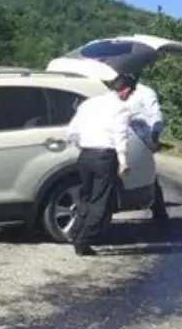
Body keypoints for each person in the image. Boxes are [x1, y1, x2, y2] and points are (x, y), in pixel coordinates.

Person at [65, 73, 136, 256]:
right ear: (126, 90)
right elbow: (120, 136)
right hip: (105, 156)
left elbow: (72, 131)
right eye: (131, 92)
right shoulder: (121, 108)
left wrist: (81, 145)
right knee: (100, 201)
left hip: (85, 154)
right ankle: (84, 240)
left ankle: (75, 231)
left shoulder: (89, 103)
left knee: (86, 197)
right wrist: (123, 162)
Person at [127, 78, 168, 220]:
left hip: (140, 135)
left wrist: (154, 138)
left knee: (145, 171)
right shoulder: (114, 92)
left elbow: (155, 115)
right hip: (123, 133)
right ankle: (158, 208)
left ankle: (158, 208)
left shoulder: (144, 92)